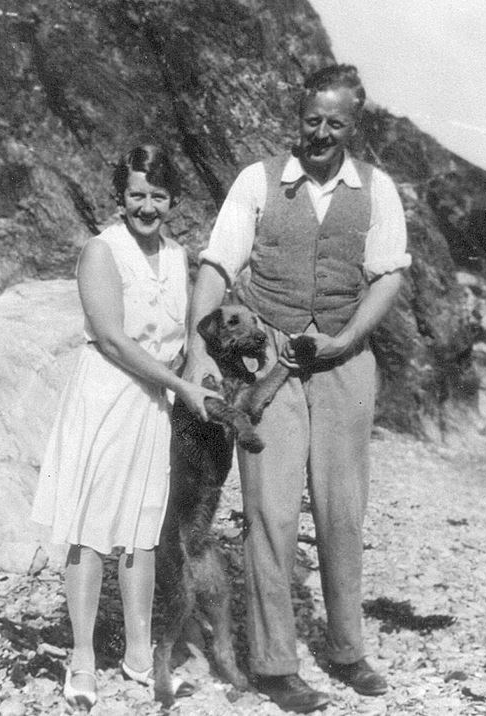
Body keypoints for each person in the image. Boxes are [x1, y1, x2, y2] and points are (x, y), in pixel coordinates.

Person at [184, 64, 411, 714]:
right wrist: (201, 349)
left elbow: (388, 276)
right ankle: (275, 664)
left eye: (335, 123)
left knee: (342, 513)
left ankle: (347, 650)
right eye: (312, 119)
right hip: (266, 364)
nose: (320, 133)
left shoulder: (378, 189)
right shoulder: (257, 182)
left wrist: (345, 340)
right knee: (271, 514)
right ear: (298, 117)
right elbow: (217, 265)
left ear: (352, 125)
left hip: (345, 361)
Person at [31, 144, 219, 711]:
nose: (147, 206)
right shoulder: (101, 251)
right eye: (136, 194)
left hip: (152, 403)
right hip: (107, 396)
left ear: (172, 201)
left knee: (140, 528)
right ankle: (82, 659)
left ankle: (139, 656)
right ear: (119, 197)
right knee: (91, 530)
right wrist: (181, 385)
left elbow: (187, 334)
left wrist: (195, 373)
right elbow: (112, 338)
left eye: (158, 196)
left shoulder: (180, 256)